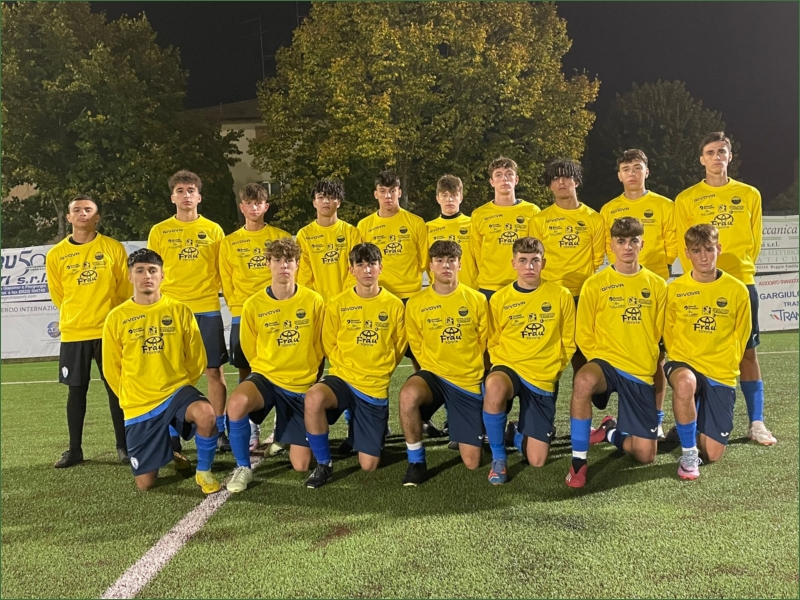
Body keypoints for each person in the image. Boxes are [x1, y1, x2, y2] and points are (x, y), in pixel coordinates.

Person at [675, 132, 776, 446]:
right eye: (710, 152)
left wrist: (737, 272)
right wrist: (701, 276)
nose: (716, 157)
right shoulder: (687, 198)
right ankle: (692, 419)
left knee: (747, 352)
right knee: (695, 353)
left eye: (721, 151)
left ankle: (756, 422)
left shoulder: (749, 194)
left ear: (730, 156)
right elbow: (684, 245)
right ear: (701, 159)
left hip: (740, 283)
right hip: (701, 286)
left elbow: (754, 242)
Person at [102, 248, 221, 493]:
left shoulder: (179, 310)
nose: (147, 276)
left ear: (162, 276)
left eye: (152, 270)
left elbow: (196, 357)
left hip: (176, 391)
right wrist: (129, 397)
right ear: (130, 276)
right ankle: (167, 451)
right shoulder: (116, 317)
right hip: (139, 402)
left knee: (206, 413)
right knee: (145, 484)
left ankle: (204, 471)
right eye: (140, 271)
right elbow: (111, 368)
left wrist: (182, 384)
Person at [565, 217, 667, 489]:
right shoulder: (595, 284)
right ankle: (578, 462)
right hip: (606, 364)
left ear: (642, 244)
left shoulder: (657, 285)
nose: (627, 247)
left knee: (645, 455)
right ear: (611, 245)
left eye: (633, 241)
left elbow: (660, 333)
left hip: (639, 372)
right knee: (583, 380)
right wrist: (601, 357)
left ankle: (610, 432)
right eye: (621, 241)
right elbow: (583, 334)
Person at [224, 238, 325, 493]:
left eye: (289, 260)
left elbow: (320, 348)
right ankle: (243, 467)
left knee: (302, 465)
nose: (283, 266)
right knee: (236, 403)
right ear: (268, 264)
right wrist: (268, 369)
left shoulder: (314, 301)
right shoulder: (253, 304)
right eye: (277, 260)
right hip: (266, 379)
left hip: (300, 385)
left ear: (298, 264)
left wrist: (308, 380)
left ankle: (284, 435)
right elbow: (250, 350)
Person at [303, 243, 407, 489]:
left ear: (380, 268)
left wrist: (379, 368)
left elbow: (399, 346)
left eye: (371, 264)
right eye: (360, 265)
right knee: (314, 398)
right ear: (351, 270)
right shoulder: (338, 303)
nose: (367, 270)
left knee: (369, 464)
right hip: (343, 378)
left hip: (373, 385)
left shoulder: (394, 305)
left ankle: (364, 434)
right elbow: (329, 343)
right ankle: (324, 464)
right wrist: (347, 366)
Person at [45, 194, 130, 468]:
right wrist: (77, 314)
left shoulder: (113, 248)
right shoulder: (56, 254)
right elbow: (58, 295)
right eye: (77, 210)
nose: (83, 213)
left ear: (97, 217)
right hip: (74, 332)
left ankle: (123, 447)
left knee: (116, 390)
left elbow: (124, 289)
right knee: (76, 391)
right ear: (68, 217)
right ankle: (75, 450)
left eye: (89, 210)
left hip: (108, 332)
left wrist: (112, 320)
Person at [482, 237, 576, 485]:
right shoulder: (500, 298)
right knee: (494, 385)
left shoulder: (561, 295)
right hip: (510, 367)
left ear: (543, 262)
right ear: (513, 263)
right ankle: (499, 458)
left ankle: (514, 434)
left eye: (535, 260)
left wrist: (555, 369)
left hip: (542, 376)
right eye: (523, 260)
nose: (529, 266)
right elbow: (493, 341)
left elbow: (568, 341)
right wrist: (499, 365)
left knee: (537, 459)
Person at [148, 170, 230, 452]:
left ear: (199, 197)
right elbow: (153, 273)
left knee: (214, 371)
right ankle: (172, 432)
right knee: (172, 373)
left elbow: (222, 270)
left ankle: (219, 430)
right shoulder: (159, 231)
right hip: (172, 311)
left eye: (191, 190)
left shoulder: (214, 230)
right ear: (172, 197)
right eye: (180, 191)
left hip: (207, 308)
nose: (186, 195)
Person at [600, 149, 678, 438]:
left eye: (636, 167)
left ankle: (656, 418)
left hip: (653, 289)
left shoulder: (665, 205)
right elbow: (607, 246)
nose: (631, 173)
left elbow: (673, 245)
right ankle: (623, 417)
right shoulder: (608, 209)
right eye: (626, 169)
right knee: (620, 355)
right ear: (619, 175)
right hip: (619, 290)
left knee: (656, 356)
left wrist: (656, 270)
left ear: (647, 171)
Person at [663, 224, 752, 480]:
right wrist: (678, 357)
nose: (704, 257)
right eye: (696, 251)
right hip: (684, 362)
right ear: (687, 253)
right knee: (685, 383)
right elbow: (668, 331)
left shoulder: (737, 290)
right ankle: (689, 455)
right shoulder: (675, 289)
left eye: (709, 249)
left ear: (718, 249)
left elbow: (741, 334)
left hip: (720, 370)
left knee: (712, 453)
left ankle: (687, 425)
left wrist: (726, 363)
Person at [398, 241, 488, 486]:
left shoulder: (477, 299)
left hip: (466, 380)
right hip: (434, 375)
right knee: (408, 394)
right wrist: (433, 367)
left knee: (472, 462)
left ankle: (499, 429)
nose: (445, 265)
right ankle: (416, 462)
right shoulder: (416, 303)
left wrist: (470, 370)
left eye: (451, 260)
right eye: (439, 261)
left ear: (460, 264)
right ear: (430, 266)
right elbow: (416, 344)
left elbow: (484, 342)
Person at [219, 183, 291, 451]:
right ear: (242, 207)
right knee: (245, 369)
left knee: (284, 366)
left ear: (266, 206)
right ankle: (251, 429)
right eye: (249, 203)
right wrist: (238, 308)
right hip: (244, 315)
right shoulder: (229, 242)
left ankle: (283, 428)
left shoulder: (280, 237)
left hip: (278, 312)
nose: (253, 208)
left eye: (258, 203)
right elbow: (227, 280)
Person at [528, 159, 605, 373]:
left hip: (582, 294)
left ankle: (584, 390)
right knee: (549, 352)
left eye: (566, 177)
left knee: (583, 354)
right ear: (550, 185)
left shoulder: (594, 218)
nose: (561, 182)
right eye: (555, 178)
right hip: (550, 294)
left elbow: (597, 257)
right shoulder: (539, 220)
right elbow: (535, 259)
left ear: (576, 181)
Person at [471, 157, 540, 302]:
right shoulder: (479, 214)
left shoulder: (532, 211)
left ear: (516, 180)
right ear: (491, 182)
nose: (504, 179)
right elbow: (477, 253)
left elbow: (537, 251)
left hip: (523, 285)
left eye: (509, 174)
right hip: (489, 287)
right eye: (498, 175)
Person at [357, 171, 427, 302]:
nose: (388, 196)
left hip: (411, 294)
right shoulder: (364, 226)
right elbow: (360, 263)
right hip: (379, 294)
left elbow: (425, 261)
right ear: (375, 194)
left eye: (392, 191)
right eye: (382, 191)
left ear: (399, 193)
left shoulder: (416, 222)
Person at [296, 178, 362, 302]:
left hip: (346, 302)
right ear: (314, 202)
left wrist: (346, 298)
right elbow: (303, 275)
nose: (326, 201)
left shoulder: (352, 232)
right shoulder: (304, 235)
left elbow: (356, 270)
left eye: (331, 197)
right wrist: (310, 300)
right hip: (316, 303)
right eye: (321, 197)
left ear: (339, 202)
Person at [425, 175, 478, 290]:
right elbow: (425, 262)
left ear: (461, 198)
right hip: (439, 290)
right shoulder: (428, 227)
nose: (449, 199)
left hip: (469, 289)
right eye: (445, 195)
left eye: (454, 195)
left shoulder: (472, 224)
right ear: (438, 198)